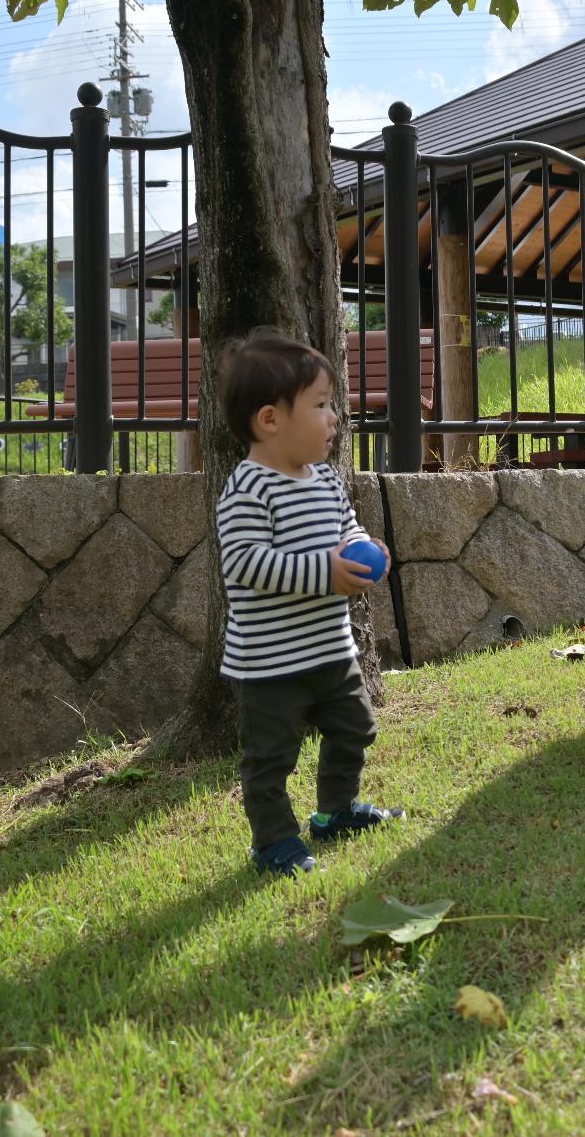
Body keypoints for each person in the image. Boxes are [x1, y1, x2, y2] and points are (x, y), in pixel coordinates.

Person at [214, 328, 403, 876]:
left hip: (330, 650)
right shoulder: (249, 488)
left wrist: (366, 547)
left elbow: (347, 528)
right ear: (270, 420)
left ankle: (336, 811)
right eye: (321, 405)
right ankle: (273, 840)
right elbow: (245, 562)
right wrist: (326, 571)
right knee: (270, 758)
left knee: (357, 726)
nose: (334, 418)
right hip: (269, 664)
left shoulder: (323, 479)